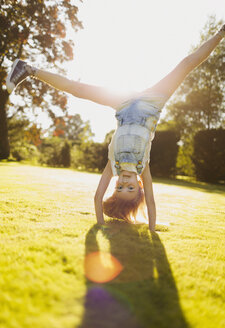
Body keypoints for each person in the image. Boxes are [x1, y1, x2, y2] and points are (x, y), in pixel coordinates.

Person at [6, 25, 225, 231]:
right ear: (138, 185)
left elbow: (97, 197)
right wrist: (152, 229)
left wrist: (100, 224)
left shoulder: (113, 165)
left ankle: (28, 69)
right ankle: (221, 33)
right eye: (130, 188)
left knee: (77, 88)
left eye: (120, 188)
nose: (125, 184)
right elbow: (150, 200)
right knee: (186, 65)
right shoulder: (143, 167)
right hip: (153, 102)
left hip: (124, 102)